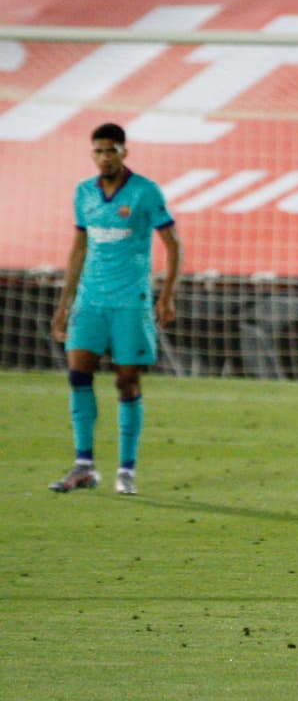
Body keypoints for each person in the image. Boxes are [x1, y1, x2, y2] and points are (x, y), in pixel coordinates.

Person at [48, 123, 182, 497]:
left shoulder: (145, 192)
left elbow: (173, 244)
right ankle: (84, 466)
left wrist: (167, 295)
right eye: (98, 151)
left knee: (127, 381)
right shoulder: (84, 193)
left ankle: (126, 469)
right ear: (92, 154)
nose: (104, 157)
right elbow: (78, 249)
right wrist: (64, 304)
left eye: (111, 150)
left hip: (130, 302)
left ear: (124, 152)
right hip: (90, 301)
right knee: (78, 375)